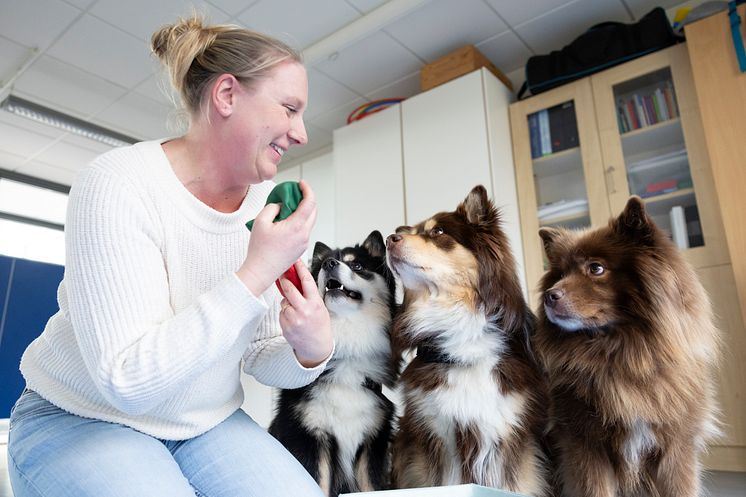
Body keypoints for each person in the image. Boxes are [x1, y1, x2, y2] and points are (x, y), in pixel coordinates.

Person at [7, 14, 334, 497]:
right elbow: (127, 380)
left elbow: (264, 355)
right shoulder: (118, 184)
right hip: (82, 414)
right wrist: (255, 271)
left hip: (205, 424)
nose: (301, 132)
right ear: (226, 96)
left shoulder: (259, 206)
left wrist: (311, 347)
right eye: (289, 108)